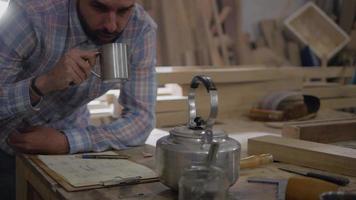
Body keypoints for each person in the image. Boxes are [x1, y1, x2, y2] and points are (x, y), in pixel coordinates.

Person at [0, 0, 157, 199]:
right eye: (99, 8)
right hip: (5, 140)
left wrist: (66, 142)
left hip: (67, 148)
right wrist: (44, 83)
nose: (111, 25)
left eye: (124, 11)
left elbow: (141, 118)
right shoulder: (30, 14)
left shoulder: (140, 29)